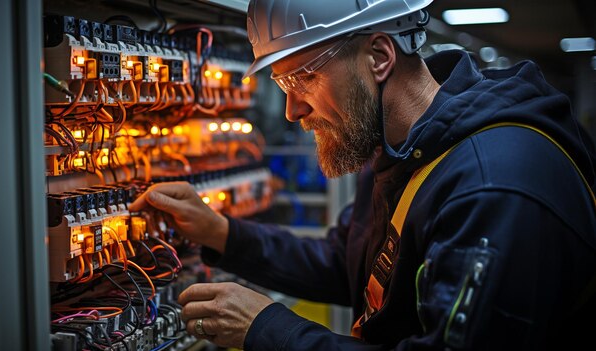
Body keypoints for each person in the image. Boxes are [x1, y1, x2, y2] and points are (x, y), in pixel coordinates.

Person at [129, 0, 596, 349]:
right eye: (282, 85)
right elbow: (353, 267)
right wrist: (223, 234)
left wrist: (271, 330)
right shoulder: (402, 150)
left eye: (303, 78)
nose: (292, 110)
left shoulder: (495, 187)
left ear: (378, 57)